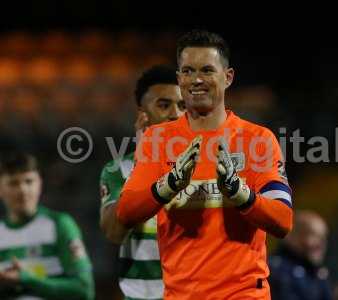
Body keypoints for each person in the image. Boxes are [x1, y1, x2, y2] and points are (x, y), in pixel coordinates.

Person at [117, 29, 293, 300]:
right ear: (179, 79)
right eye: (187, 71)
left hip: (244, 294)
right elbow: (126, 212)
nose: (196, 79)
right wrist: (169, 185)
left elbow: (283, 220)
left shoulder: (258, 140)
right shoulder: (157, 139)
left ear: (228, 77)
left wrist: (240, 194)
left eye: (207, 70)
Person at [99, 65, 185, 300]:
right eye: (164, 105)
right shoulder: (119, 170)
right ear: (142, 114)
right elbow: (114, 233)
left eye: (183, 105)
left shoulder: (209, 165)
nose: (176, 114)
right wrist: (144, 164)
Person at [0, 152, 94, 300]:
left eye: (29, 181)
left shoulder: (59, 225)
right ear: (1, 189)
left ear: (40, 184)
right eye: (13, 183)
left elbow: (84, 289)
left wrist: (26, 280)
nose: (23, 190)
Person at [268, 210, 332, 300]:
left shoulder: (319, 275)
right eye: (313, 235)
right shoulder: (273, 270)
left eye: (323, 238)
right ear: (292, 236)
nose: (321, 244)